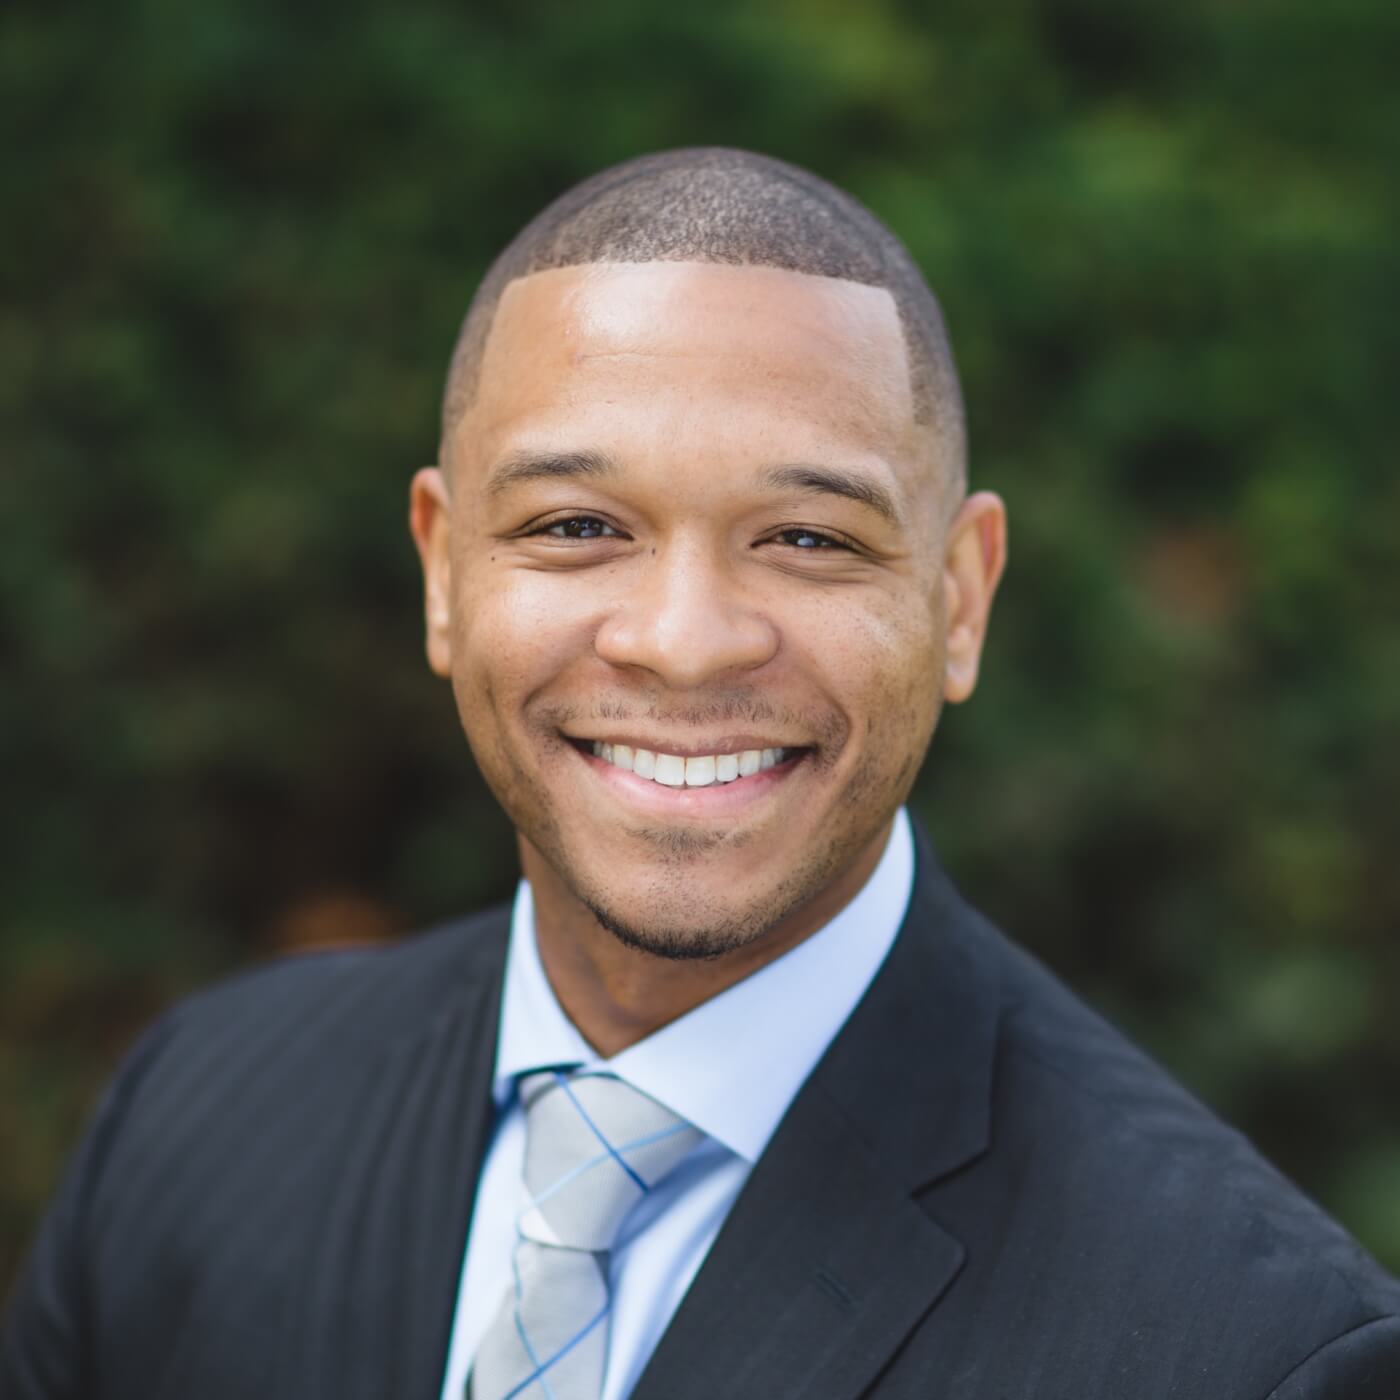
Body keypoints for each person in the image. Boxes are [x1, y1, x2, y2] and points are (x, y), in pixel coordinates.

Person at [2, 147, 1397, 1400]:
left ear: (961, 601)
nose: (681, 644)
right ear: (442, 571)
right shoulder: (194, 1117)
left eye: (806, 539)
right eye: (578, 524)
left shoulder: (1252, 1351)